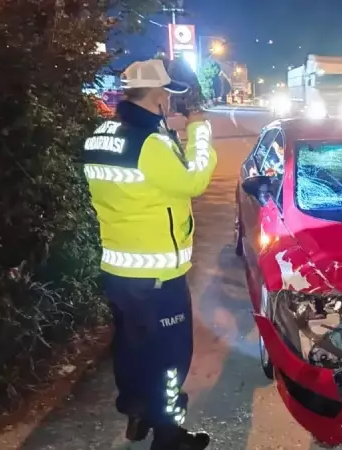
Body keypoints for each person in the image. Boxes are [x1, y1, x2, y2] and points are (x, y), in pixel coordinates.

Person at [81, 59, 216, 450]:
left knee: (131, 347)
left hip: (118, 271)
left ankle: (137, 411)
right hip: (158, 277)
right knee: (171, 358)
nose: (173, 101)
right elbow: (196, 178)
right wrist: (199, 127)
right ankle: (169, 435)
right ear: (159, 95)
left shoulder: (102, 134)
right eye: (170, 94)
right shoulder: (150, 144)